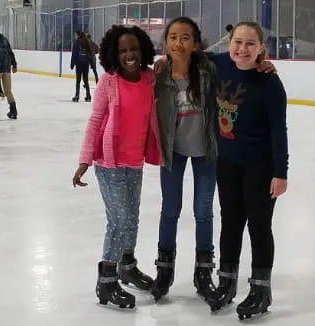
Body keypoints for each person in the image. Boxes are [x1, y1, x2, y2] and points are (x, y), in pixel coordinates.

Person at [72, 25, 160, 309]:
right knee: (119, 221)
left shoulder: (150, 78)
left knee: (132, 218)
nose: (129, 54)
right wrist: (84, 160)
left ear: (143, 49)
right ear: (113, 53)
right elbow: (95, 120)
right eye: (123, 50)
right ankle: (107, 280)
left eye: (134, 48)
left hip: (134, 161)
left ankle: (127, 265)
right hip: (108, 163)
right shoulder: (109, 82)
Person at [204, 22, 288, 321]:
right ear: (229, 41)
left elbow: (279, 131)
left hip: (261, 167)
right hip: (227, 163)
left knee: (259, 226)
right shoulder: (219, 63)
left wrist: (281, 172)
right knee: (230, 222)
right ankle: (226, 281)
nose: (242, 49)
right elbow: (187, 56)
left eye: (250, 44)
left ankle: (260, 290)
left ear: (261, 48)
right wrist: (164, 59)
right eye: (237, 42)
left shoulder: (270, 84)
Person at [150, 17, 219, 303]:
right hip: (173, 150)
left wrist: (264, 59)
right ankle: (164, 269)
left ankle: (203, 271)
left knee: (203, 210)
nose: (179, 43)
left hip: (206, 150)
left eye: (185, 37)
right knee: (170, 209)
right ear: (165, 42)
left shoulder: (209, 69)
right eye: (173, 37)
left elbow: (242, 61)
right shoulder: (159, 75)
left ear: (196, 43)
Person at [70, 31, 92, 102]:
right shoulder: (86, 42)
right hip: (86, 64)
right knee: (86, 80)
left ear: (78, 35)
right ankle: (88, 96)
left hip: (79, 64)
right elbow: (90, 53)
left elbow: (74, 54)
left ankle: (77, 96)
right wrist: (90, 63)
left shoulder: (76, 43)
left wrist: (72, 64)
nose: (74, 36)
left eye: (75, 35)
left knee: (78, 80)